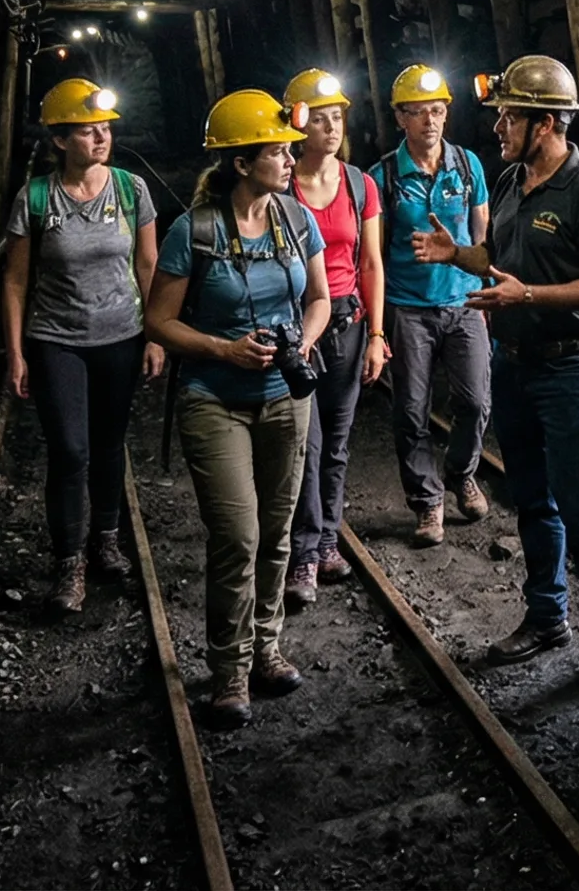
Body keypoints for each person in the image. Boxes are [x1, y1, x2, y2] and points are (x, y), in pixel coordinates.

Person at [411, 56, 579, 692]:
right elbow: (501, 260)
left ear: (546, 124)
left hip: (570, 369)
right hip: (515, 367)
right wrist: (460, 255)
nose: (498, 127)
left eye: (509, 116)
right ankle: (546, 617)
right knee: (532, 499)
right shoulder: (511, 183)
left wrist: (528, 297)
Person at [144, 90, 332, 730]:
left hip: (285, 398)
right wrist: (226, 349)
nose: (289, 159)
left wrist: (300, 343)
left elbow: (322, 300)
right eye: (278, 151)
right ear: (241, 161)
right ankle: (229, 671)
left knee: (277, 535)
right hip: (214, 400)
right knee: (239, 537)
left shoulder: (295, 219)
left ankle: (267, 651)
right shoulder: (193, 230)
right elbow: (159, 321)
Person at [0, 79, 163, 615]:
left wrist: (156, 333)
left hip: (121, 335)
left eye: (105, 130)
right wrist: (17, 352)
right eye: (88, 131)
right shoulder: (37, 198)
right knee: (71, 450)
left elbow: (147, 266)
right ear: (60, 140)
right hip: (57, 341)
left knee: (110, 443)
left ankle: (107, 540)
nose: (101, 138)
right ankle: (69, 562)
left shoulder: (131, 189)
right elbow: (16, 281)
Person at [280, 68, 388, 605]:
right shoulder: (281, 184)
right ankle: (302, 555)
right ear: (298, 124)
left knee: (336, 443)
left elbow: (371, 262)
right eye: (320, 119)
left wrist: (377, 333)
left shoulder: (358, 183)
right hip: (296, 323)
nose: (331, 128)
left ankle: (326, 542)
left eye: (337, 118)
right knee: (307, 441)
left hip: (345, 321)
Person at [376, 64, 493, 547]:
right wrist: (377, 320)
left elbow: (482, 232)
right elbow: (374, 252)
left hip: (463, 300)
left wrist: (484, 289)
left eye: (438, 111)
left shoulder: (467, 165)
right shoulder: (381, 175)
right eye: (419, 113)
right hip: (409, 308)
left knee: (475, 401)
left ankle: (462, 472)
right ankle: (428, 503)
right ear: (400, 118)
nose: (430, 121)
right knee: (411, 411)